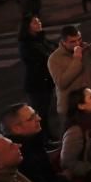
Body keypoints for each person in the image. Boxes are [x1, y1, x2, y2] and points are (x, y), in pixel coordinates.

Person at [47, 24, 91, 128]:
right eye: (72, 42)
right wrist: (76, 59)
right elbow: (61, 83)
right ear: (64, 42)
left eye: (79, 39)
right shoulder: (54, 59)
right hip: (70, 108)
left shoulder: (85, 49)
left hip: (89, 104)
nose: (77, 43)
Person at [17, 15, 57, 143]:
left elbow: (54, 47)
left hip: (45, 82)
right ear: (27, 26)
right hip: (36, 84)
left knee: (45, 113)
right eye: (35, 22)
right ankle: (42, 140)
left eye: (39, 21)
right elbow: (45, 57)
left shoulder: (40, 38)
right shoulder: (27, 44)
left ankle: (48, 137)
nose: (39, 23)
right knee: (40, 114)